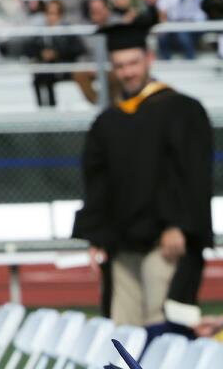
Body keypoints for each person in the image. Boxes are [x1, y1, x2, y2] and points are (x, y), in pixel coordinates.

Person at [72, 21, 213, 329]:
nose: (128, 72)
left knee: (163, 329)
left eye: (133, 63)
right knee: (123, 335)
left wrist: (180, 225)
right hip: (121, 244)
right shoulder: (108, 122)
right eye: (120, 65)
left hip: (164, 242)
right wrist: (97, 234)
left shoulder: (181, 110)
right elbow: (97, 181)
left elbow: (193, 175)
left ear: (149, 59)